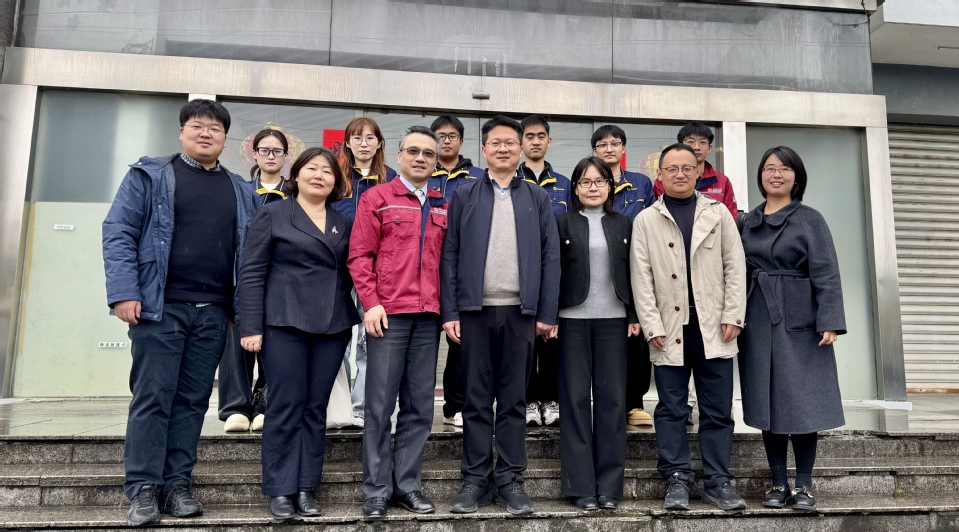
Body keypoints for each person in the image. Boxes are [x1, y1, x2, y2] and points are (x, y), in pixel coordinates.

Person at [102, 99, 255, 527]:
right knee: (153, 396)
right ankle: (143, 487)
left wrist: (245, 309)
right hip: (160, 307)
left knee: (192, 401)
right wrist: (124, 292)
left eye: (215, 128)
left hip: (214, 311)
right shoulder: (150, 175)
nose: (206, 133)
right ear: (182, 131)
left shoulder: (241, 189)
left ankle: (177, 483)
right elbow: (118, 232)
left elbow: (251, 254)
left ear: (225, 138)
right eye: (197, 126)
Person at [441, 115, 560, 516]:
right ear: (485, 149)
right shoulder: (465, 194)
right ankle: (475, 480)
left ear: (520, 148)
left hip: (520, 314)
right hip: (474, 312)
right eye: (496, 142)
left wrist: (545, 311)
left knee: (513, 400)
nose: (504, 148)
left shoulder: (536, 197)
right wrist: (451, 310)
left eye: (511, 142)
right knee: (475, 400)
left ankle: (510, 479)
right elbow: (450, 254)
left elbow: (550, 256)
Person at [238, 147, 360, 520]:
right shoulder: (273, 214)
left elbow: (353, 270)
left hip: (333, 325)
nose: (319, 175)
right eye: (312, 168)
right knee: (285, 404)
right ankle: (280, 489)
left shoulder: (343, 222)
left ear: (336, 182)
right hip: (283, 322)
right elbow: (252, 271)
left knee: (314, 407)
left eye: (327, 171)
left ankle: (307, 487)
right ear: (297, 175)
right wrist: (250, 325)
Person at [630, 143, 747, 512]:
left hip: (715, 326)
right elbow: (641, 278)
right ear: (660, 175)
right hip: (669, 328)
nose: (680, 174)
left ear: (698, 172)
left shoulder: (718, 213)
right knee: (671, 408)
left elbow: (735, 266)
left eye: (687, 167)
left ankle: (718, 481)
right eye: (672, 168)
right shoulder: (646, 219)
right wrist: (651, 324)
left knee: (717, 409)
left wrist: (733, 315)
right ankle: (677, 477)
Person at [738, 146, 846, 512]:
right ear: (761, 176)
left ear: (796, 177)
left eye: (784, 169)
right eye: (769, 168)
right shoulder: (747, 221)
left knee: (802, 401)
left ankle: (804, 485)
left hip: (801, 317)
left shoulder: (810, 219)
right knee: (767, 400)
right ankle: (778, 482)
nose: (776, 174)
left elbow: (827, 272)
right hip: (757, 315)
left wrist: (830, 320)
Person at [349, 126, 448, 518]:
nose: (421, 158)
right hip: (388, 316)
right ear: (399, 155)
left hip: (428, 316)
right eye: (413, 151)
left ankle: (407, 485)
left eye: (428, 153)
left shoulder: (442, 204)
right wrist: (370, 304)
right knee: (379, 405)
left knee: (419, 406)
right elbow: (359, 256)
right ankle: (376, 489)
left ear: (436, 161)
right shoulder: (377, 198)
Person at [556, 157, 640, 511]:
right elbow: (552, 271)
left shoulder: (624, 223)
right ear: (575, 188)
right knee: (574, 401)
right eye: (585, 182)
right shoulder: (561, 222)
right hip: (571, 321)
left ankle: (609, 487)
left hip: (614, 322)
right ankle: (580, 487)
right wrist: (549, 316)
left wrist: (634, 314)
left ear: (610, 186)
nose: (593, 187)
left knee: (613, 403)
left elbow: (635, 272)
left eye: (600, 181)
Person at [220, 127, 291, 434]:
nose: (270, 156)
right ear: (254, 153)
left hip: (281, 279)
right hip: (242, 276)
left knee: (275, 343)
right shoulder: (239, 190)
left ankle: (265, 404)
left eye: (277, 151)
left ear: (286, 156)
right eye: (265, 150)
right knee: (236, 339)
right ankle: (236, 407)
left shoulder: (295, 193)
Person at [331, 117, 398, 428]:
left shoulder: (391, 179)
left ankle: (361, 408)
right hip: (338, 270)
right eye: (357, 138)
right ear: (347, 143)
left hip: (376, 272)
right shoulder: (336, 177)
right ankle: (339, 408)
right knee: (339, 341)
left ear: (380, 143)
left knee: (370, 341)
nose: (364, 144)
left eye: (370, 138)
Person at [592, 124, 656, 428]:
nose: (609, 148)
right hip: (600, 270)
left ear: (623, 148)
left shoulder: (641, 183)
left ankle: (634, 403)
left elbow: (654, 221)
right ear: (595, 150)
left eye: (614, 143)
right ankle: (603, 400)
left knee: (635, 339)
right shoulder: (590, 181)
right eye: (602, 144)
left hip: (636, 268)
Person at [429, 115, 484, 429]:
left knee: (460, 341)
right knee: (423, 343)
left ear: (462, 141)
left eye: (452, 136)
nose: (446, 141)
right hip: (424, 269)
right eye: (440, 135)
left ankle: (456, 405)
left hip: (463, 269)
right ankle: (417, 405)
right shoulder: (423, 172)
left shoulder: (478, 177)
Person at [519, 115, 569, 427]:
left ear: (549, 141)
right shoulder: (513, 180)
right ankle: (527, 400)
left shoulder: (564, 184)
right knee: (524, 342)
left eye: (541, 136)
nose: (535, 141)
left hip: (554, 270)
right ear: (521, 142)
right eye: (529, 136)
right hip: (519, 273)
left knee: (552, 338)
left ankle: (551, 399)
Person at [654, 123, 738, 219]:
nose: (696, 147)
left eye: (702, 142)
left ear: (709, 148)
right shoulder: (665, 180)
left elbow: (731, 218)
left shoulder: (722, 181)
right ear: (680, 146)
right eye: (691, 142)